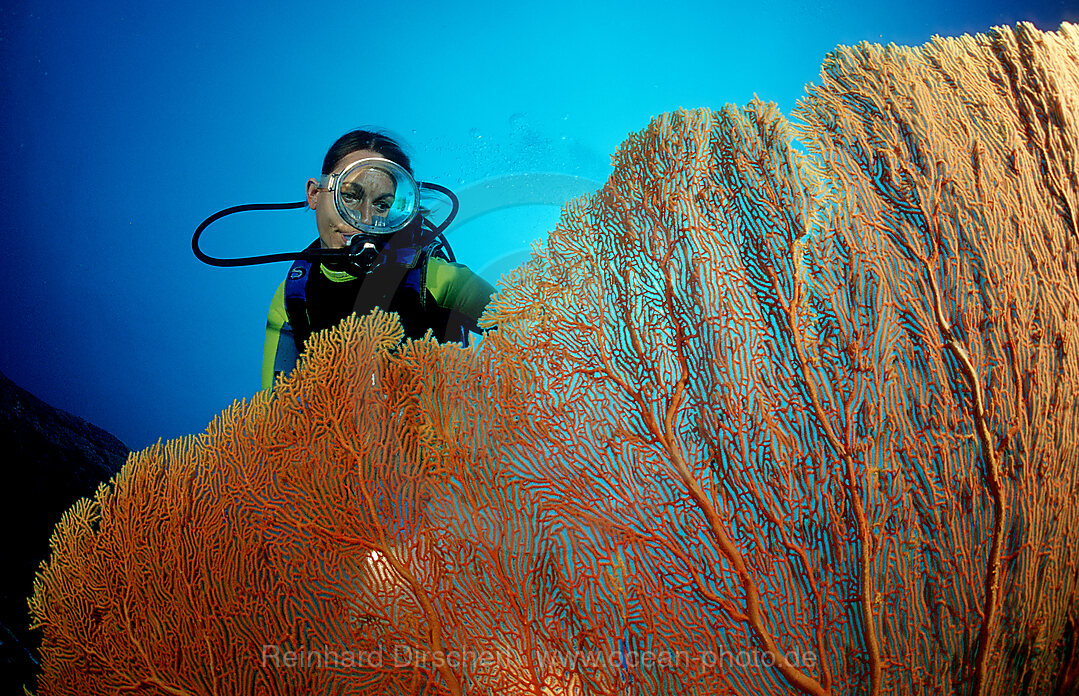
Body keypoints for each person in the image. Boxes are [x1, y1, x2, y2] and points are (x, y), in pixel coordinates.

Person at [261, 130, 496, 390]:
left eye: (382, 205)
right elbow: (272, 409)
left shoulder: (434, 277)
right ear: (315, 193)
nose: (364, 218)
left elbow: (528, 326)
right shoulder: (293, 297)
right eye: (350, 196)